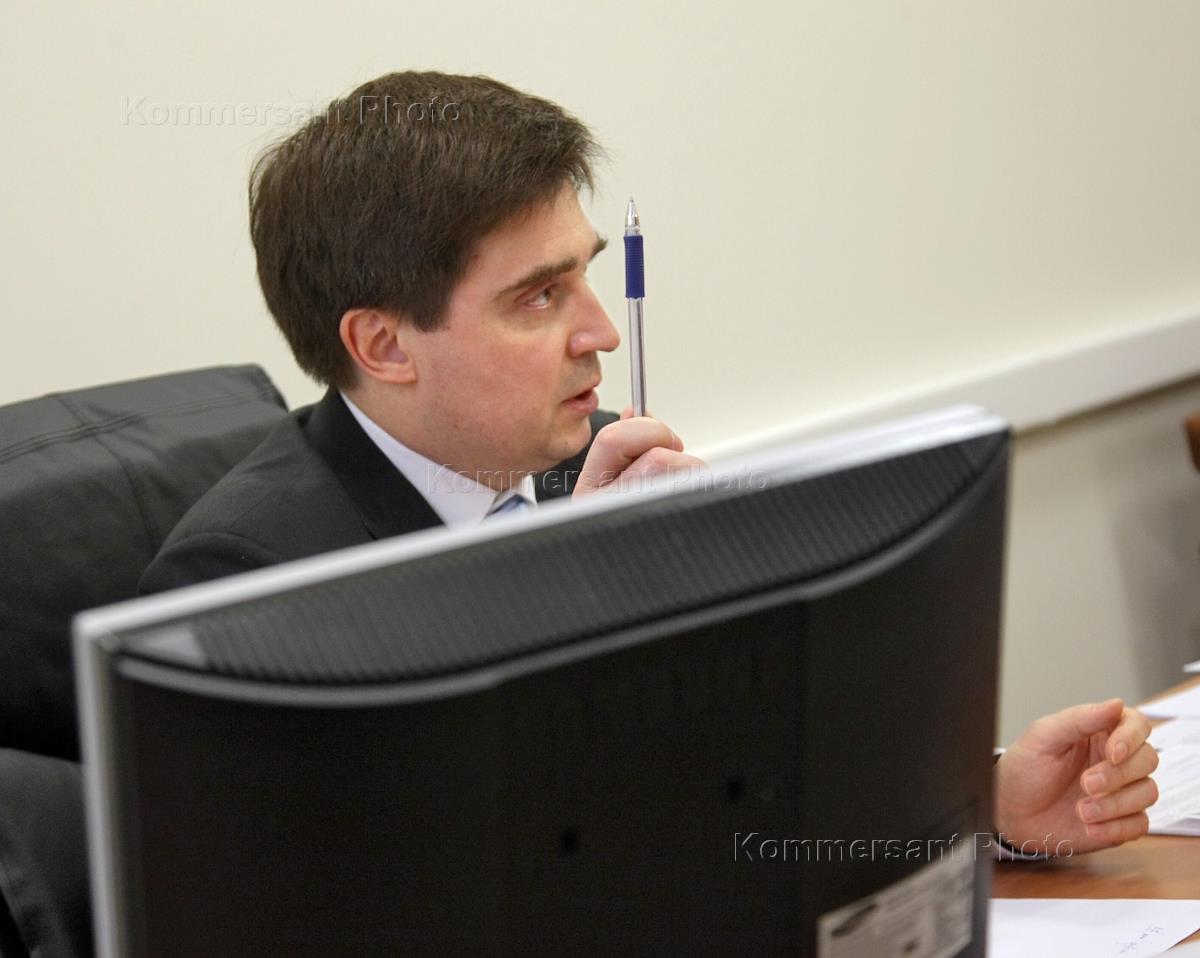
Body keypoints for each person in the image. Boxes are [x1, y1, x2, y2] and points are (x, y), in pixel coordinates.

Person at [140, 71, 1156, 857]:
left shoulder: (584, 460)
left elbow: (716, 791)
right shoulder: (247, 583)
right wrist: (570, 593)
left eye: (586, 277)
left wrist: (976, 806)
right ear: (385, 346)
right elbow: (420, 883)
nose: (599, 333)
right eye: (539, 297)